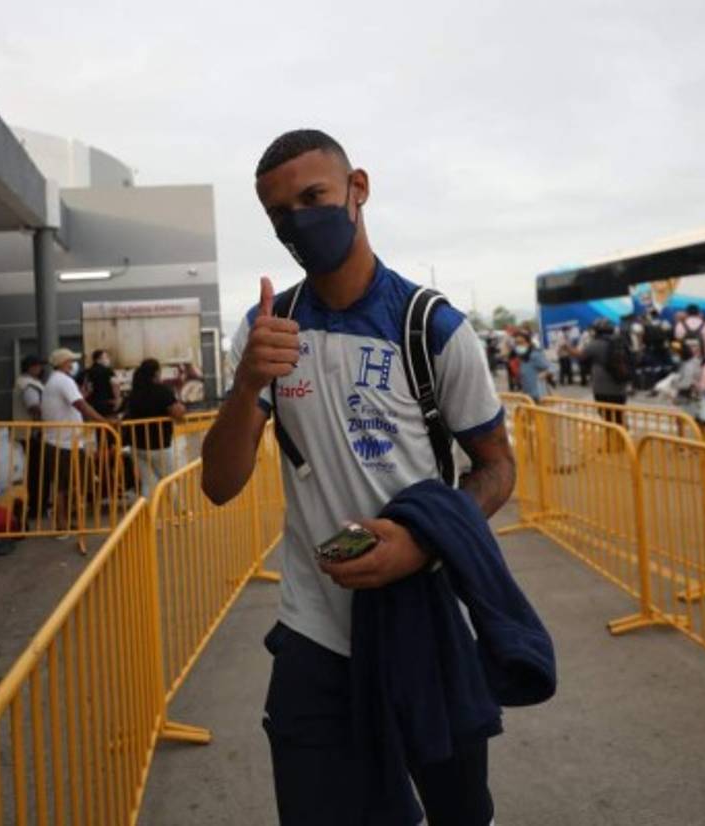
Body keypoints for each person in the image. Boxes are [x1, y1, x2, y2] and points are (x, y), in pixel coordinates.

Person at [201, 130, 521, 826]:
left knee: (460, 811)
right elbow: (219, 484)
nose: (299, 221)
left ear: (358, 188)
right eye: (280, 213)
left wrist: (421, 544)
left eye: (313, 197)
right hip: (314, 635)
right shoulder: (268, 330)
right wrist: (249, 379)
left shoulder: (430, 327)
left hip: (423, 624)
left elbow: (497, 467)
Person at [42, 347, 114, 536]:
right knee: (65, 485)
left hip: (59, 440)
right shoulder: (64, 381)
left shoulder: (54, 381)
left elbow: (77, 401)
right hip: (64, 441)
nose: (73, 364)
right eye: (71, 360)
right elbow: (80, 405)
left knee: (63, 484)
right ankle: (62, 524)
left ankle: (64, 521)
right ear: (64, 363)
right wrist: (103, 421)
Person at [125, 358, 186, 497]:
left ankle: (149, 516)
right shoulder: (162, 391)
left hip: (137, 446)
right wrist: (182, 409)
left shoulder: (134, 393)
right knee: (170, 480)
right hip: (159, 445)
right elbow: (177, 413)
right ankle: (180, 513)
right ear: (156, 373)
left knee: (147, 483)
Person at [12, 354, 50, 524]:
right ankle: (37, 507)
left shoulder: (25, 382)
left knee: (37, 470)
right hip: (32, 433)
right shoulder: (28, 385)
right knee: (38, 471)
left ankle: (38, 504)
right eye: (38, 365)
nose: (40, 369)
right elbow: (34, 407)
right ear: (31, 367)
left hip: (29, 433)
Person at [571, 318, 627, 424]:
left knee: (607, 418)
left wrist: (567, 348)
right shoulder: (620, 341)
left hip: (602, 390)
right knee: (619, 416)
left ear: (597, 330)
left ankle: (613, 438)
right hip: (620, 388)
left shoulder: (595, 344)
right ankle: (622, 436)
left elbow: (581, 356)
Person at [511, 329, 553, 402]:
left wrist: (545, 373)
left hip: (539, 397)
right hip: (528, 397)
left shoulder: (535, 355)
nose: (519, 345)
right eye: (517, 343)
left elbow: (553, 367)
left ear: (528, 343)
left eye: (521, 343)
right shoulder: (521, 358)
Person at [83, 349, 121, 416]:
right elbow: (115, 385)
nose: (108, 359)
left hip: (93, 404)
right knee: (108, 423)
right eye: (106, 357)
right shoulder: (108, 371)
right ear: (98, 360)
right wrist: (117, 400)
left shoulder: (87, 371)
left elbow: (88, 389)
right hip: (107, 403)